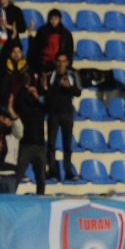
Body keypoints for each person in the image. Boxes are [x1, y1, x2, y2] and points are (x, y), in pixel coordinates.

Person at [44, 53, 81, 181]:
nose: (61, 64)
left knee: (67, 145)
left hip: (67, 114)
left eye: (63, 61)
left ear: (67, 63)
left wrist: (68, 87)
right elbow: (46, 93)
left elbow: (78, 92)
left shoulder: (72, 75)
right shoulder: (50, 76)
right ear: (55, 62)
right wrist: (56, 86)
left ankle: (68, 171)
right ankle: (52, 171)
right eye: (58, 61)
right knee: (51, 144)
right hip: (53, 113)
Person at [28, 9, 74, 75]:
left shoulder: (66, 34)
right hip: (44, 63)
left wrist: (67, 65)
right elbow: (36, 48)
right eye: (52, 19)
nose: (54, 21)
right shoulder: (42, 31)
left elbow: (69, 51)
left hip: (59, 63)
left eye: (56, 18)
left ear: (59, 19)